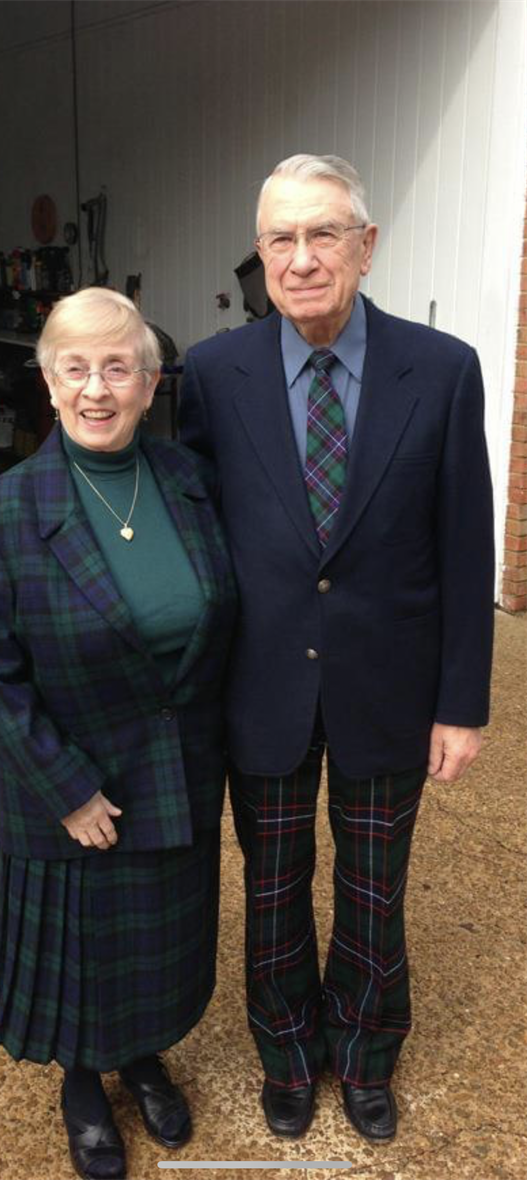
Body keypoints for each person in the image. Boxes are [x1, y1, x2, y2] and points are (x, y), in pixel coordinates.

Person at [179, 154, 494, 1143]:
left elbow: (462, 543)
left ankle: (362, 1051)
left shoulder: (439, 369)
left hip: (387, 687)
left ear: (364, 245)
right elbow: (194, 539)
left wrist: (461, 700)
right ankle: (284, 1050)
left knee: (371, 888)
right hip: (260, 684)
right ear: (261, 253)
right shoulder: (213, 372)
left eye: (323, 234)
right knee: (270, 885)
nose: (302, 257)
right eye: (281, 238)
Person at [0, 287, 236, 1180]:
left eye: (116, 368)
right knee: (84, 950)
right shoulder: (3, 512)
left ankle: (142, 1054)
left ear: (149, 381)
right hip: (71, 785)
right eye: (75, 369)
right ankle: (84, 1083)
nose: (97, 389)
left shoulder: (189, 482)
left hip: (172, 769)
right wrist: (67, 788)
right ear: (48, 385)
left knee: (157, 943)